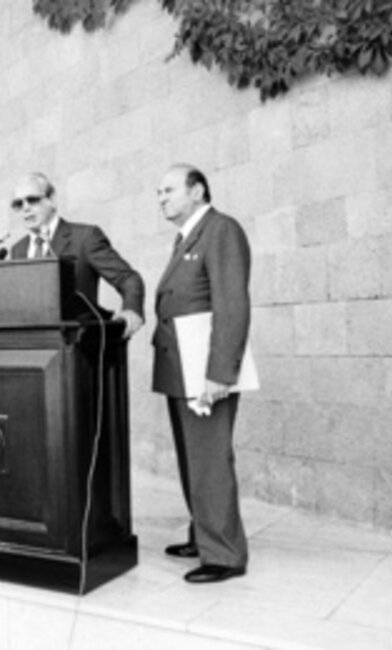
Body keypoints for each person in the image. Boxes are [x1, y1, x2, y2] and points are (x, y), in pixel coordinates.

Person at [153, 164, 251, 584]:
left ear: (197, 191)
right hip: (181, 368)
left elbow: (232, 304)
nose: (162, 198)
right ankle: (204, 535)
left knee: (209, 460)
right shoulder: (187, 237)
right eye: (159, 192)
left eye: (169, 190)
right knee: (193, 459)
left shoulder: (221, 229)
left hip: (204, 371)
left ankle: (224, 555)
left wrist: (220, 373)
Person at [8, 172, 144, 337]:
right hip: (32, 343)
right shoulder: (18, 250)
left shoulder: (85, 238)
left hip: (77, 341)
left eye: (32, 200)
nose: (25, 208)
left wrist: (131, 310)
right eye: (18, 204)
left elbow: (127, 278)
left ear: (52, 199)